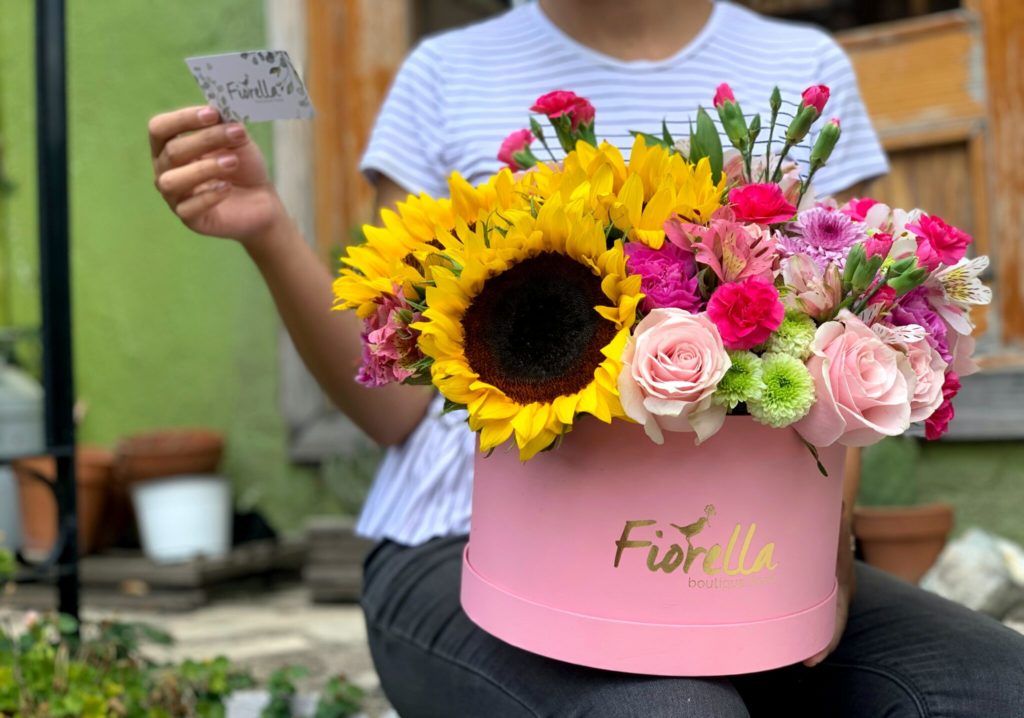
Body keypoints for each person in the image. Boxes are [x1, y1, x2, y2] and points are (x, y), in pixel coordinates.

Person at [149, 1, 1024, 715]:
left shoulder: (804, 69)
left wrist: (826, 557)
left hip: (745, 549)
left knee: (988, 686)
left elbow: (846, 346)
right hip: (463, 539)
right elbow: (392, 402)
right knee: (668, 713)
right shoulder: (446, 77)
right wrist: (268, 232)